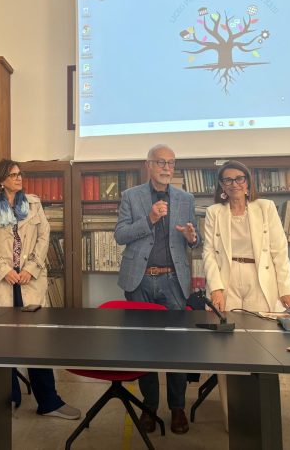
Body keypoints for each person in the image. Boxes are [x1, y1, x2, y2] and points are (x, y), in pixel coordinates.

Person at [0, 159, 80, 420]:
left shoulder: (33, 204)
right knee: (0, 342)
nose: (19, 178)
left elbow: (44, 237)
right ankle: (7, 397)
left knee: (37, 342)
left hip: (29, 282)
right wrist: (2, 270)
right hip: (0, 283)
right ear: (1, 181)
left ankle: (49, 402)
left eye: (20, 174)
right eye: (13, 175)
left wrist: (31, 268)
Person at [202, 160, 290, 429]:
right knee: (227, 350)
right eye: (228, 180)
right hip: (227, 281)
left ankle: (264, 416)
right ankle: (233, 419)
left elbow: (280, 251)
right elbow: (208, 252)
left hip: (261, 280)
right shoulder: (214, 212)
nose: (234, 184)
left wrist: (286, 290)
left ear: (248, 183)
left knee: (264, 347)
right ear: (221, 186)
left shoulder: (265, 208)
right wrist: (216, 288)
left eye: (239, 178)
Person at [114, 144, 200, 435]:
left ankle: (177, 407)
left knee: (176, 348)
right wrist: (149, 219)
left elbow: (195, 240)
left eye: (171, 163)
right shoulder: (131, 196)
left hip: (173, 280)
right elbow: (120, 235)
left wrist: (192, 237)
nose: (166, 168)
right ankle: (149, 406)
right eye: (161, 162)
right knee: (144, 347)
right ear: (148, 165)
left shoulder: (186, 199)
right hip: (139, 281)